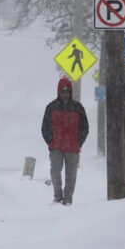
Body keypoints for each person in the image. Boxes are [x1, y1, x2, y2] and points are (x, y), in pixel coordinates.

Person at [41, 76, 89, 206]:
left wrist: (78, 142)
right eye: (62, 91)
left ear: (71, 92)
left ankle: (67, 200)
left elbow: (85, 127)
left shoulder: (78, 108)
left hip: (72, 148)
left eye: (67, 91)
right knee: (55, 172)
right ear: (58, 91)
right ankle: (58, 197)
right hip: (56, 147)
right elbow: (45, 127)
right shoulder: (51, 107)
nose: (65, 94)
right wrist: (51, 141)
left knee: (71, 176)